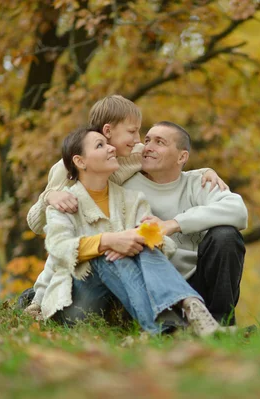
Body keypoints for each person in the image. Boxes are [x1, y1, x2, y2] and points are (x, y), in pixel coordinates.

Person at [20, 95, 226, 311]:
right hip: (78, 255)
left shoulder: (134, 155)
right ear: (108, 131)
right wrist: (49, 197)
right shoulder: (67, 166)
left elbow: (169, 162)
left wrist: (204, 172)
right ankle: (37, 298)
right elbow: (36, 224)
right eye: (132, 131)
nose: (139, 139)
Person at [41, 125, 223, 336]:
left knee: (144, 243)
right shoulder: (63, 202)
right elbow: (58, 247)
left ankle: (190, 310)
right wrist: (109, 241)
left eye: (108, 144)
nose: (111, 148)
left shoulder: (132, 198)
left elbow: (167, 245)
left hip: (121, 302)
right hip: (77, 303)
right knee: (107, 256)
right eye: (100, 145)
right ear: (80, 161)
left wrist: (143, 236)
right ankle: (166, 325)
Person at [123, 121, 248, 325]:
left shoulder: (198, 182)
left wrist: (173, 224)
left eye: (160, 142)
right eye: (147, 140)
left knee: (225, 235)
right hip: (154, 286)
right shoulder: (126, 185)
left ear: (182, 157)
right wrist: (52, 193)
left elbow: (239, 211)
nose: (148, 147)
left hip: (201, 284)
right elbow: (84, 162)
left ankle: (222, 324)